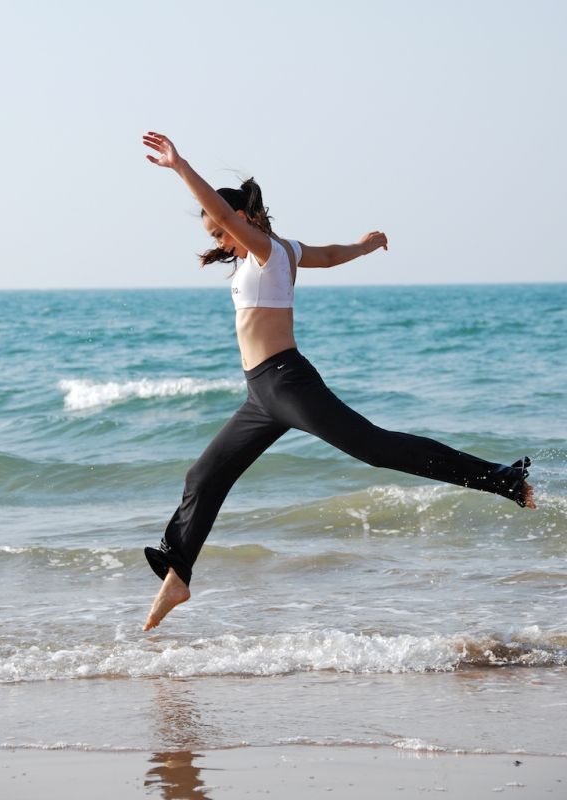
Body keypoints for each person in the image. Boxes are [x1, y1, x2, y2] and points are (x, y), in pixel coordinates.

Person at [141, 131, 535, 632]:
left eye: (220, 230)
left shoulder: (264, 251)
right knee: (203, 475)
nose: (217, 239)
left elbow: (232, 219)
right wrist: (365, 246)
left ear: (241, 219)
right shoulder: (277, 251)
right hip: (260, 394)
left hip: (287, 384)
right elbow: (326, 254)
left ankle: (501, 479)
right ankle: (178, 574)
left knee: (375, 447)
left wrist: (180, 167)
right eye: (214, 236)